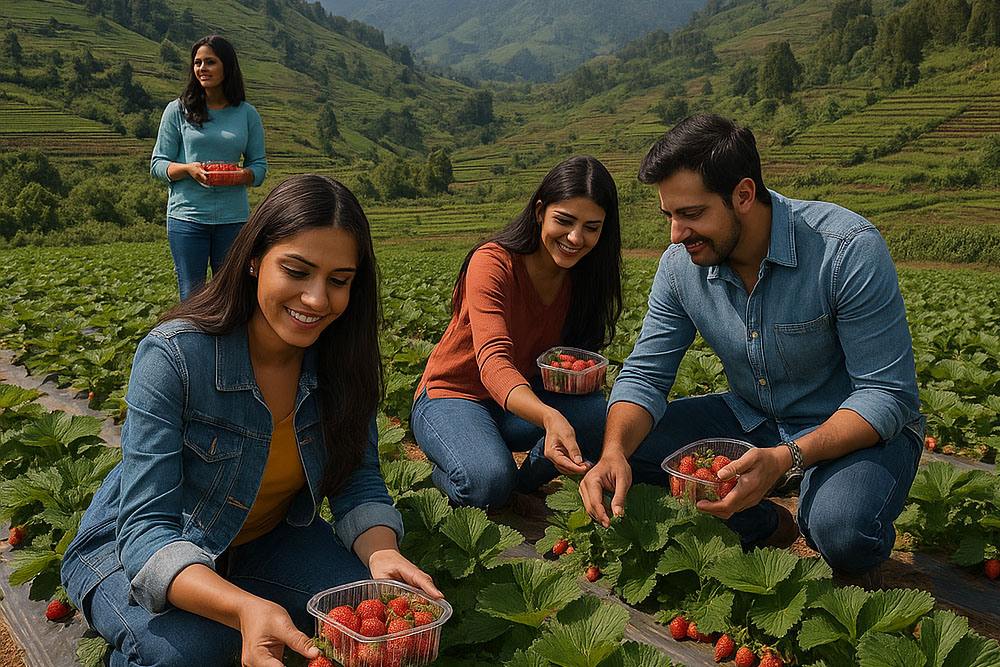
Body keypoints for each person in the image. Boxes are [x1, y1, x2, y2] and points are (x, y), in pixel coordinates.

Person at [61, 175, 441, 667]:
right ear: (255, 258)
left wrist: (381, 553)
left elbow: (357, 480)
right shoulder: (176, 357)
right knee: (195, 653)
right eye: (297, 270)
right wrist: (243, 608)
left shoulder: (343, 362)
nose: (317, 299)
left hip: (266, 540)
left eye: (338, 280)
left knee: (371, 627)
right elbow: (146, 530)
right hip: (134, 548)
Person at [578, 114, 924, 590]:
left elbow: (887, 394)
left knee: (841, 531)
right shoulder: (681, 267)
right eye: (669, 215)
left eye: (692, 214)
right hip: (752, 417)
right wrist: (615, 451)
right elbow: (645, 376)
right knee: (612, 449)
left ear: (743, 195)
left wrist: (786, 458)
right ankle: (762, 523)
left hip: (854, 430)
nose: (676, 234)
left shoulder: (844, 250)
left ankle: (826, 509)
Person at [411, 155, 624, 510]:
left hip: (520, 402)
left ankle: (522, 483)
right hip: (454, 396)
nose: (575, 237)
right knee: (487, 482)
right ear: (540, 211)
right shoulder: (493, 263)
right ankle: (452, 475)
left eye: (591, 227)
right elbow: (492, 362)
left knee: (595, 416)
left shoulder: (585, 278)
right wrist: (550, 417)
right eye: (564, 220)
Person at [151, 34, 268, 300]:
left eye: (210, 62)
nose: (202, 68)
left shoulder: (246, 114)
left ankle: (227, 342)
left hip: (233, 220)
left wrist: (242, 176)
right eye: (198, 63)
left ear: (227, 66)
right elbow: (158, 164)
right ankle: (192, 342)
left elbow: (259, 167)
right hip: (187, 218)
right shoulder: (177, 110)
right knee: (191, 296)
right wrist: (188, 169)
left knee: (232, 294)